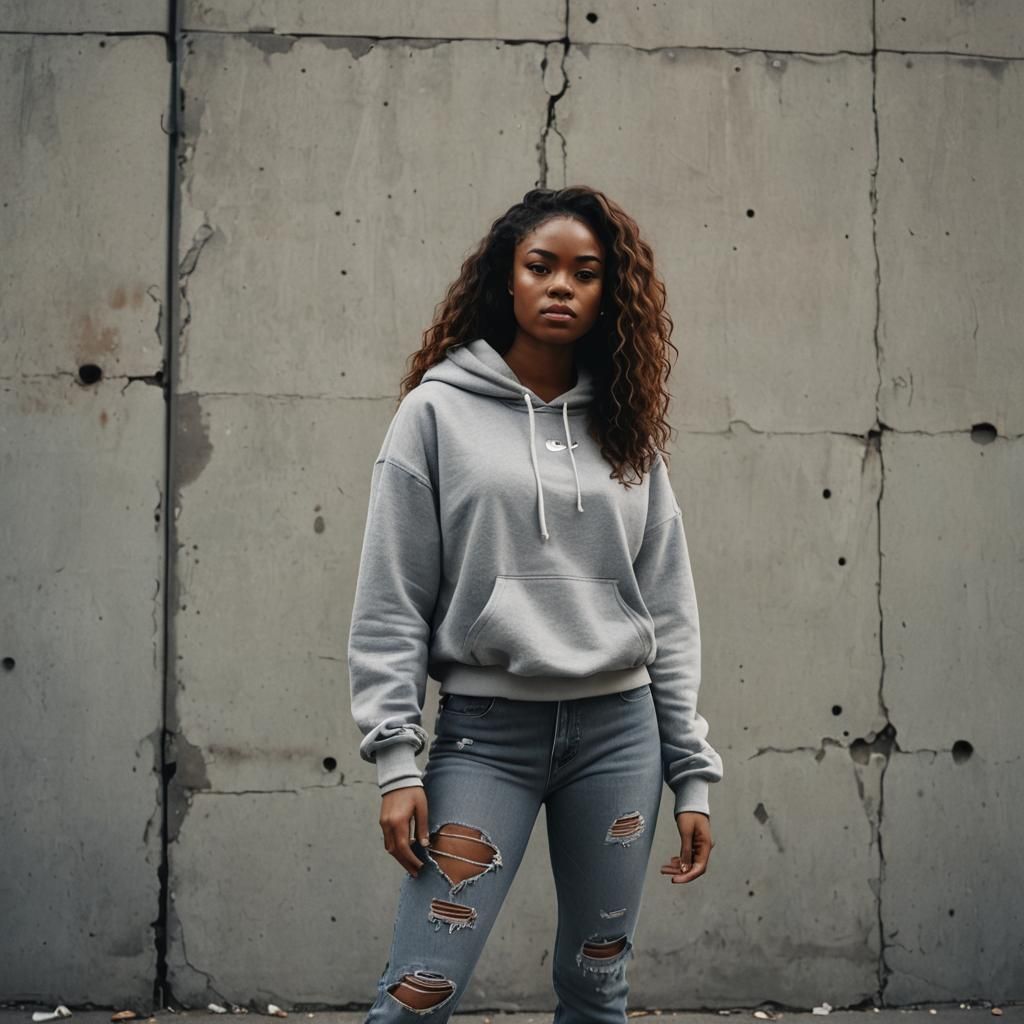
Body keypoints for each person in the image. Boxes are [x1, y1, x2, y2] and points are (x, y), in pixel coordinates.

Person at [348, 185, 723, 1022]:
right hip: (487, 738)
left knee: (598, 989)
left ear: (608, 296)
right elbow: (391, 598)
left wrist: (690, 773)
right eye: (541, 267)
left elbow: (666, 606)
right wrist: (395, 762)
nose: (562, 286)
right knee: (420, 990)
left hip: (620, 739)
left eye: (585, 274)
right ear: (506, 281)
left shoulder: (627, 429)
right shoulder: (434, 414)